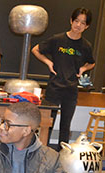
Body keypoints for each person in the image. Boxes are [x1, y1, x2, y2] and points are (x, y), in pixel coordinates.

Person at [31, 7, 95, 149]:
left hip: (71, 89)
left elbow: (92, 62)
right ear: (71, 21)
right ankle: (41, 152)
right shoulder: (57, 39)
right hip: (54, 87)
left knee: (65, 125)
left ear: (87, 26)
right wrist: (48, 62)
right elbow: (35, 49)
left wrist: (83, 68)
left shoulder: (86, 46)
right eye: (76, 21)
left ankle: (62, 155)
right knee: (47, 123)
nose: (78, 25)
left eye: (83, 23)